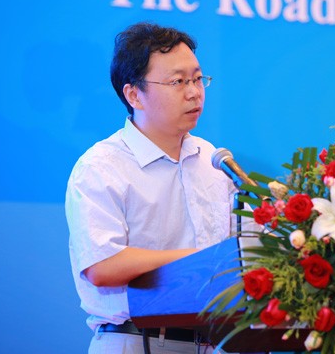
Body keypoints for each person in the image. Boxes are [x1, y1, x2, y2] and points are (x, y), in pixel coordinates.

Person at [65, 22, 237, 354]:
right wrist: (197, 260)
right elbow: (102, 265)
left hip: (214, 343)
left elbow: (243, 249)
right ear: (134, 95)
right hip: (136, 340)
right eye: (178, 81)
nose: (194, 92)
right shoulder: (101, 166)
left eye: (197, 79)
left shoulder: (212, 160)